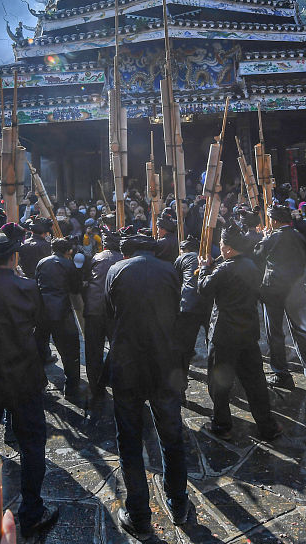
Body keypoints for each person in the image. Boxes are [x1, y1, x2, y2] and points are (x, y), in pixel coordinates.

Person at [0, 225, 60, 539]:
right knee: (32, 444)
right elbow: (42, 325)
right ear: (13, 257)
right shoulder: (28, 287)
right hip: (22, 375)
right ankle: (31, 511)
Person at [104, 230, 191, 538]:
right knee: (171, 434)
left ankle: (139, 514)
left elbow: (109, 312)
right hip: (163, 362)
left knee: (129, 441)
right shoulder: (170, 269)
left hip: (127, 363)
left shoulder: (115, 270)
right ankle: (178, 502)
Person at [197, 225, 282, 443]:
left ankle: (222, 425)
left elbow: (204, 288)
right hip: (247, 331)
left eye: (222, 245)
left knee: (220, 383)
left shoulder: (224, 269)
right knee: (255, 381)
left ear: (227, 248)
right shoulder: (252, 265)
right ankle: (267, 426)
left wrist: (204, 269)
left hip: (225, 333)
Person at [253, 204, 306, 390]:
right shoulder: (298, 235)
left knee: (274, 333)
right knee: (301, 331)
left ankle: (281, 373)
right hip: (297, 288)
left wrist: (264, 238)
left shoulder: (272, 237)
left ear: (274, 221)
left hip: (273, 289)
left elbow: (257, 255)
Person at [34, 236, 83, 402]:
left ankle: (38, 384)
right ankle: (71, 388)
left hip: (41, 311)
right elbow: (76, 288)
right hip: (61, 311)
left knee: (39, 348)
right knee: (70, 351)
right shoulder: (69, 264)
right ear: (68, 251)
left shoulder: (42, 262)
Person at [83, 229, 123, 406]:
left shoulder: (96, 258)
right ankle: (117, 383)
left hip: (93, 309)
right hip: (113, 311)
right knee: (118, 348)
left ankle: (95, 387)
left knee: (93, 350)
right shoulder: (123, 260)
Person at [172, 234, 208, 396]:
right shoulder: (205, 257)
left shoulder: (183, 258)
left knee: (183, 348)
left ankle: (180, 386)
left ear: (184, 250)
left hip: (188, 307)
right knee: (212, 343)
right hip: (207, 305)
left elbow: (175, 281)